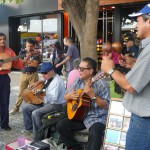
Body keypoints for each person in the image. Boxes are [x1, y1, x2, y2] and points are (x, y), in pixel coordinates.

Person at [101, 3, 150, 150]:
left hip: (144, 122)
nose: (136, 25)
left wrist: (110, 70)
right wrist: (135, 63)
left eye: (139, 20)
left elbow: (130, 86)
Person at [57, 57, 110, 150]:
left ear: (91, 71)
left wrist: (93, 96)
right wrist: (68, 96)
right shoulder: (78, 81)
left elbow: (106, 105)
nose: (79, 71)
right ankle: (76, 148)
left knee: (95, 133)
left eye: (82, 69)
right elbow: (65, 96)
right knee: (61, 125)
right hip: (80, 116)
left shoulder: (101, 83)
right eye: (78, 68)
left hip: (96, 117)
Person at [22, 62, 66, 141]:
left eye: (45, 73)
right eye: (42, 73)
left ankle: (38, 137)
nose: (43, 75)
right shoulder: (50, 76)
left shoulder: (56, 82)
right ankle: (29, 129)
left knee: (36, 113)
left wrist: (40, 96)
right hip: (47, 102)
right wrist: (37, 83)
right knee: (25, 107)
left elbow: (53, 99)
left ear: (51, 71)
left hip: (56, 105)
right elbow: (43, 78)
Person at [9, 39, 41, 115]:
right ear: (25, 46)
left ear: (34, 46)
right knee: (20, 92)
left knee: (34, 92)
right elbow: (20, 63)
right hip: (23, 75)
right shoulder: (22, 52)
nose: (29, 47)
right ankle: (16, 108)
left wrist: (26, 61)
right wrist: (28, 60)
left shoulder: (36, 53)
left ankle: (34, 108)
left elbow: (35, 64)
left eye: (31, 46)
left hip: (33, 75)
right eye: (28, 46)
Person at [0, 32, 25, 130]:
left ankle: (4, 124)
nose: (2, 41)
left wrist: (24, 61)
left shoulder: (9, 51)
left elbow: (16, 63)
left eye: (4, 39)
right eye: (0, 39)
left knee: (5, 101)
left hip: (4, 78)